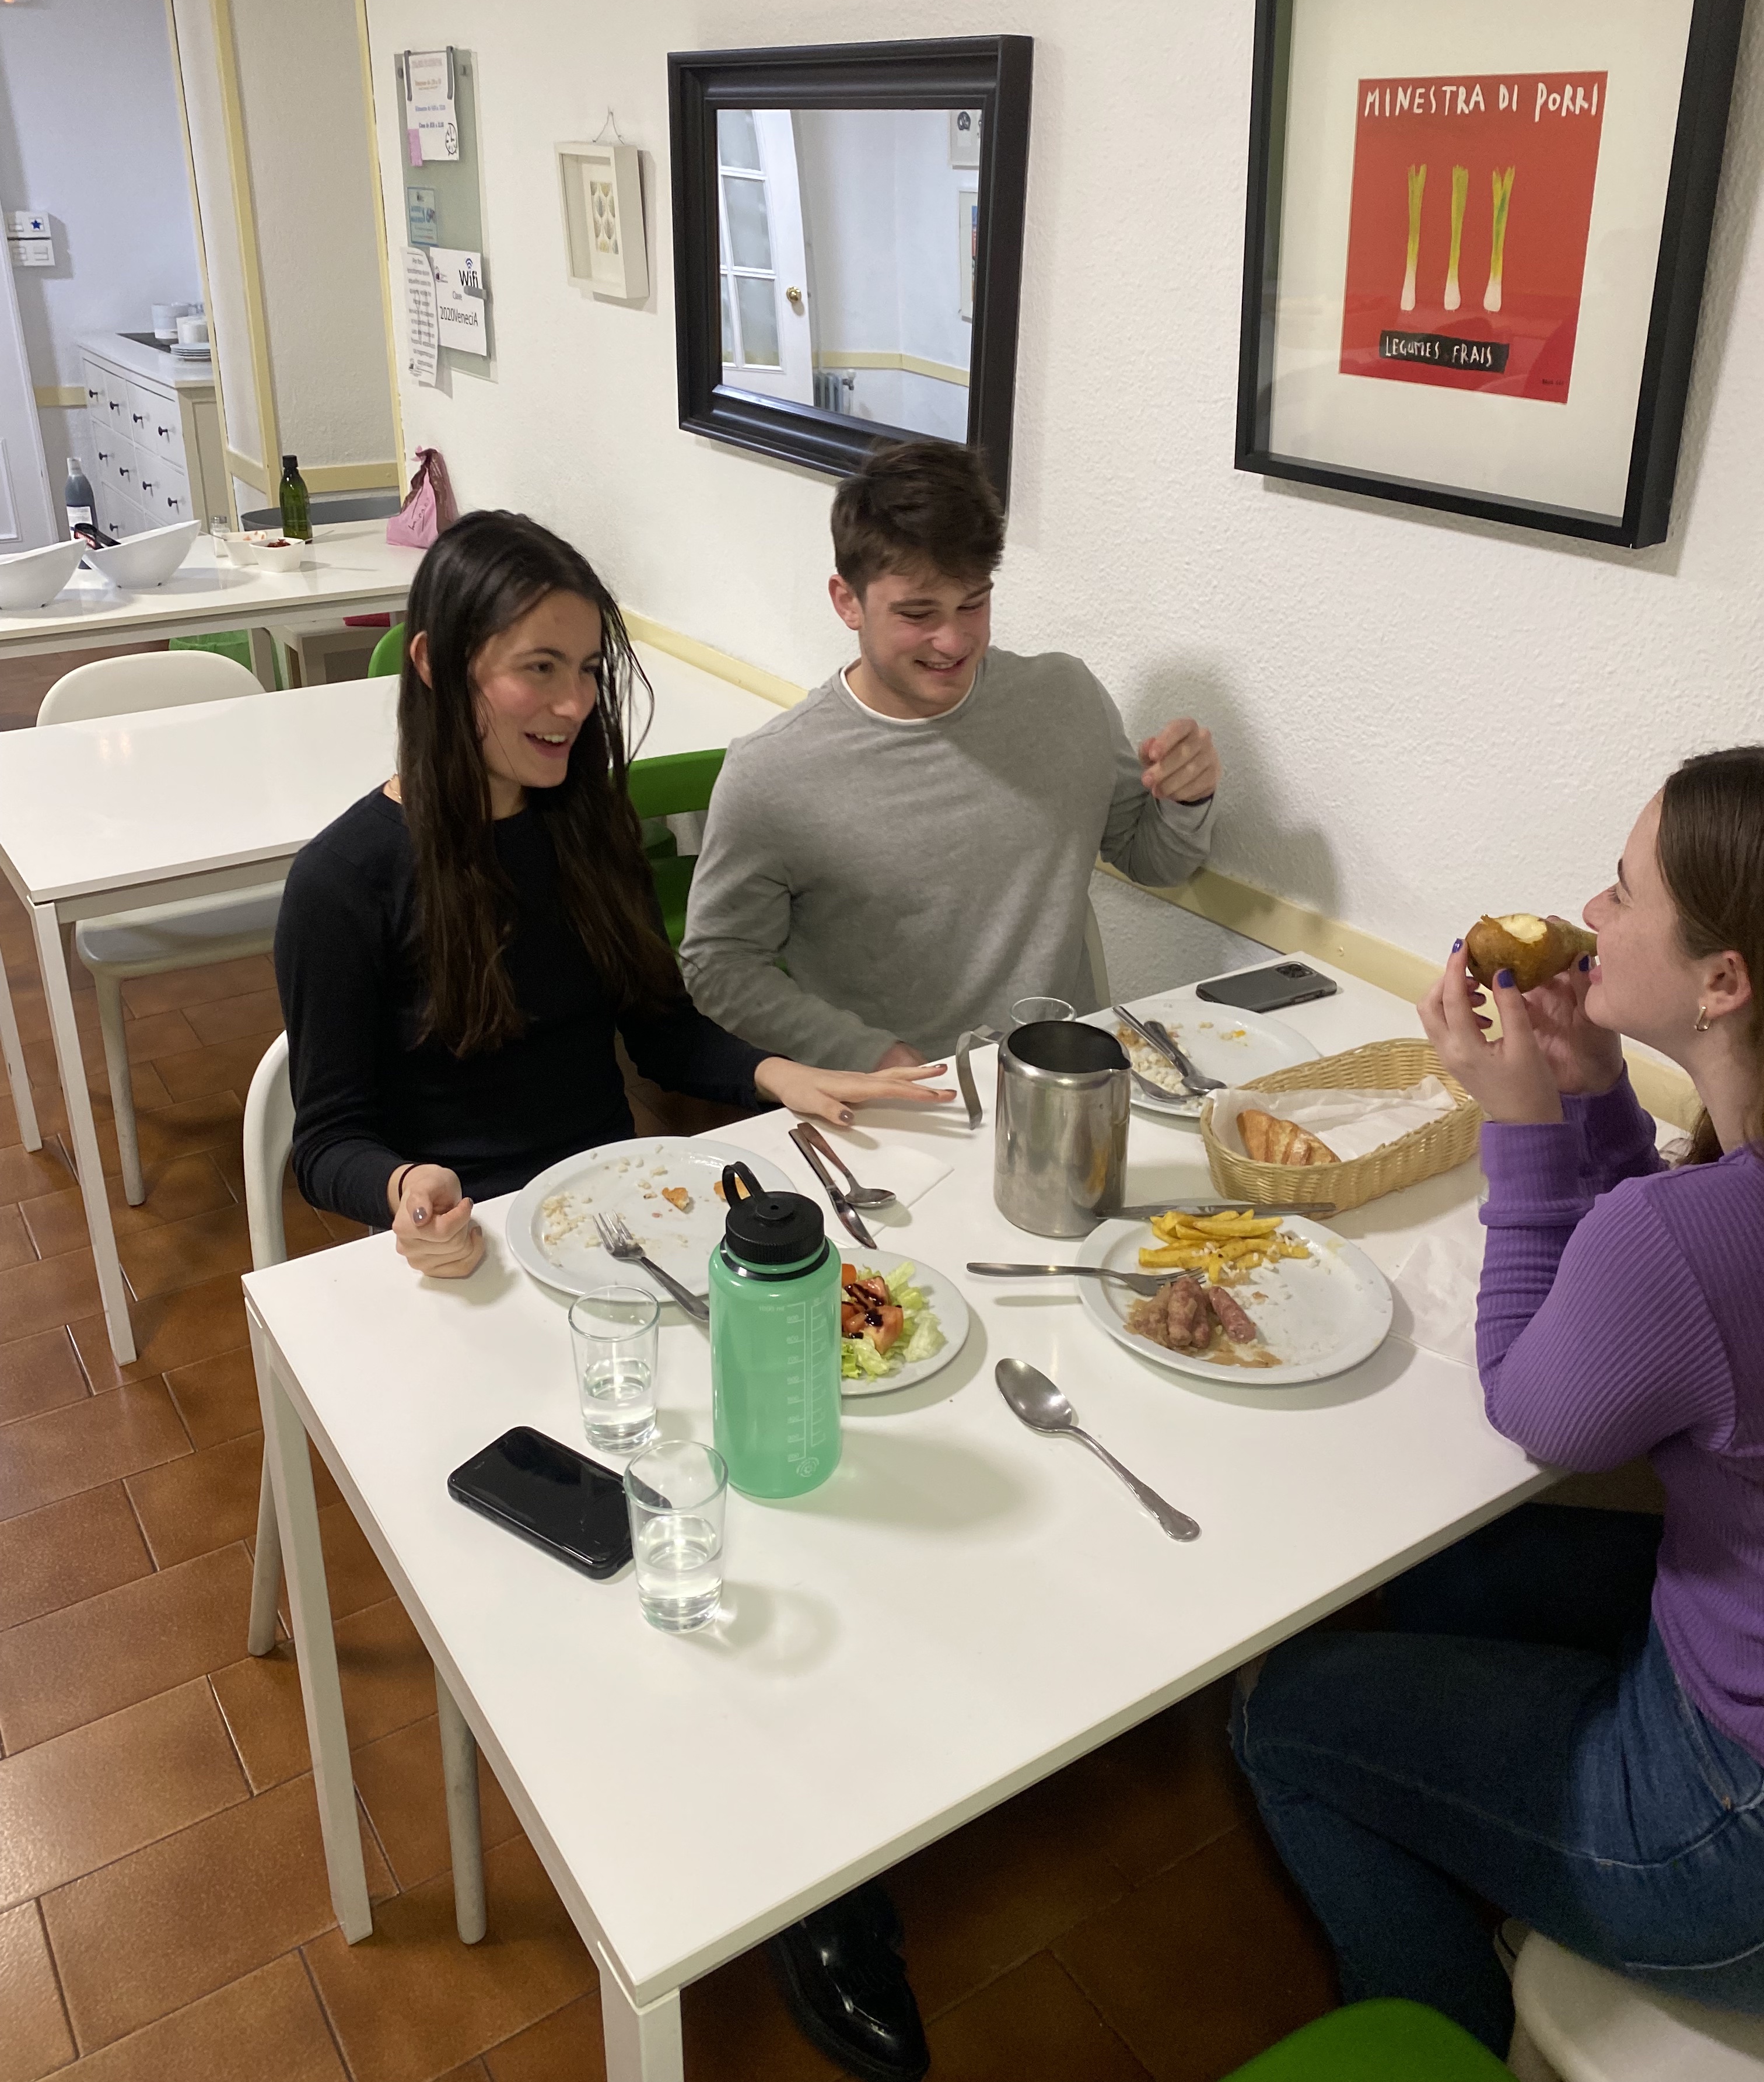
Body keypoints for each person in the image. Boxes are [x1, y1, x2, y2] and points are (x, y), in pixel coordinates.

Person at [274, 510, 942, 2082]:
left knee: (794, 1472)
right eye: (537, 670)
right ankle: (733, 1850)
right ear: (441, 669)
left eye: (589, 670)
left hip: (626, 1234)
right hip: (472, 1276)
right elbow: (330, 1137)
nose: (573, 707)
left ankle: (822, 1859)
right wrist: (404, 1192)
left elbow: (661, 1023)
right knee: (645, 1539)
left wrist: (783, 1072)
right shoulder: (345, 880)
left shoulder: (577, 824)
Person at [1231, 747, 1764, 2055]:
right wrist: (1589, 1099)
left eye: (1626, 893)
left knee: (1277, 1710)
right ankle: (1489, 1842)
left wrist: (1519, 1128)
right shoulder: (1712, 1209)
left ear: (1725, 980)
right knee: (1461, 1576)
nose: (1596, 913)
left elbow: (1541, 1408)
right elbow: (1674, 1293)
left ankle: (1439, 2035)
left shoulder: (1697, 1237)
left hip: (1726, 1840)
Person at [680, 439, 1220, 1069]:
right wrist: (868, 1054)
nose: (953, 639)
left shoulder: (1065, 698)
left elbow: (1152, 860)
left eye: (974, 603)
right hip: (888, 1101)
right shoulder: (772, 772)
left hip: (1062, 1077)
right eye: (917, 613)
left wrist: (1188, 798)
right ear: (846, 600)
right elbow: (718, 963)